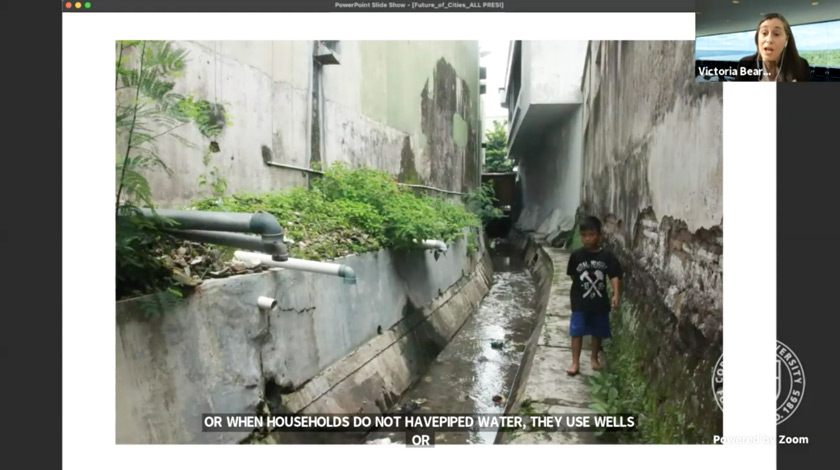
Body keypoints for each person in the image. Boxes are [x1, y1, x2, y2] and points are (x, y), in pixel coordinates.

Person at [565, 216, 622, 376]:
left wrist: (616, 294)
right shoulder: (576, 256)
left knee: (597, 331)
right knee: (576, 331)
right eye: (584, 235)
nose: (587, 239)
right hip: (579, 302)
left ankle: (594, 358)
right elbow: (573, 275)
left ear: (599, 235)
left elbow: (615, 275)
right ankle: (575, 363)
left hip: (599, 302)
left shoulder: (607, 257)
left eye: (591, 234)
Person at [737, 13, 810, 82]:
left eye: (776, 34)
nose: (769, 40)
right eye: (764, 33)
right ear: (757, 38)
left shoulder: (801, 65)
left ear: (786, 39)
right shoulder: (745, 65)